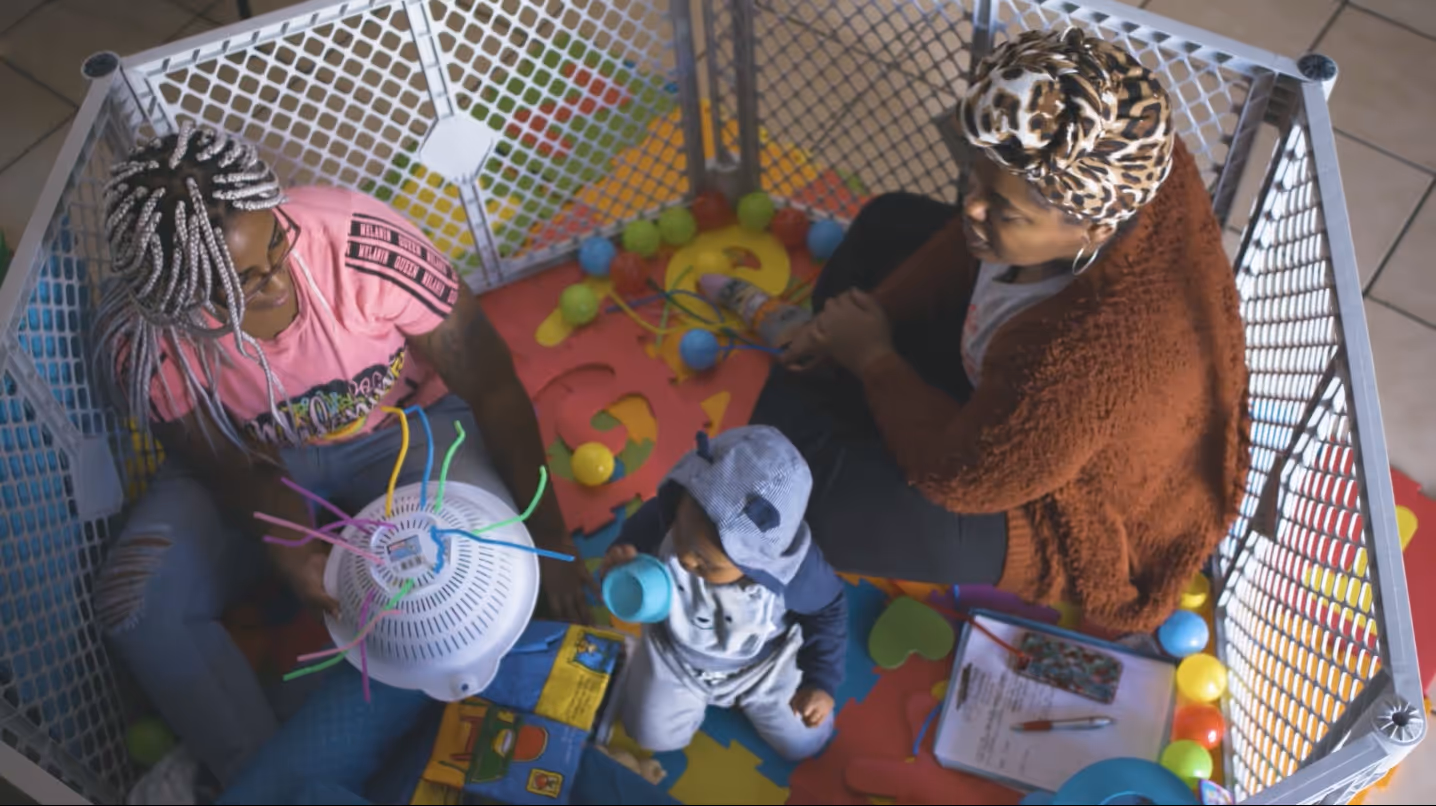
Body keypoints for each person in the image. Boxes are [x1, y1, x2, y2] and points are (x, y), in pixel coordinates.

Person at [92, 121, 592, 785]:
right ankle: (271, 775)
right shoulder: (148, 344)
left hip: (406, 435)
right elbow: (226, 467)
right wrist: (287, 539)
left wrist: (550, 535)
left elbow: (492, 383)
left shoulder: (356, 243)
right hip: (263, 466)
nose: (275, 282)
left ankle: (294, 770)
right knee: (136, 605)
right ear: (178, 300)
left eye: (276, 244)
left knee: (478, 581)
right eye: (237, 284)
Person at [707, 29, 1250, 633]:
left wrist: (873, 359)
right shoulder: (1123, 154)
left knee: (801, 510)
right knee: (888, 219)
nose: (971, 208)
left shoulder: (1085, 361)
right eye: (974, 180)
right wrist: (878, 312)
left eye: (1005, 211)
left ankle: (838, 404)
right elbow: (965, 245)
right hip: (999, 377)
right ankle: (842, 397)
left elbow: (967, 476)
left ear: (1093, 230)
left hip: (1042, 503)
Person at [603, 426, 846, 761]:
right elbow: (628, 546)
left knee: (807, 742)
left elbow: (829, 610)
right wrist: (619, 564)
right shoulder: (664, 515)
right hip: (673, 651)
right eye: (681, 536)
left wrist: (820, 681)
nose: (685, 558)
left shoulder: (794, 572)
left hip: (763, 666)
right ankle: (634, 662)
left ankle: (758, 700)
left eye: (705, 563)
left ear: (755, 564)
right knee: (645, 734)